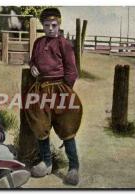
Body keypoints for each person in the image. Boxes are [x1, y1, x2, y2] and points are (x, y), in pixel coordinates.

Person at [25, 8, 83, 185]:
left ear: (59, 24)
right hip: (40, 89)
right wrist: (32, 66)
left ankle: (73, 167)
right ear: (42, 26)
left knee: (67, 127)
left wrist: (66, 91)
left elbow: (72, 71)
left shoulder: (64, 44)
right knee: (40, 125)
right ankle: (47, 162)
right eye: (47, 25)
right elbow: (33, 60)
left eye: (54, 25)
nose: (51, 28)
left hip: (60, 89)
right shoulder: (38, 42)